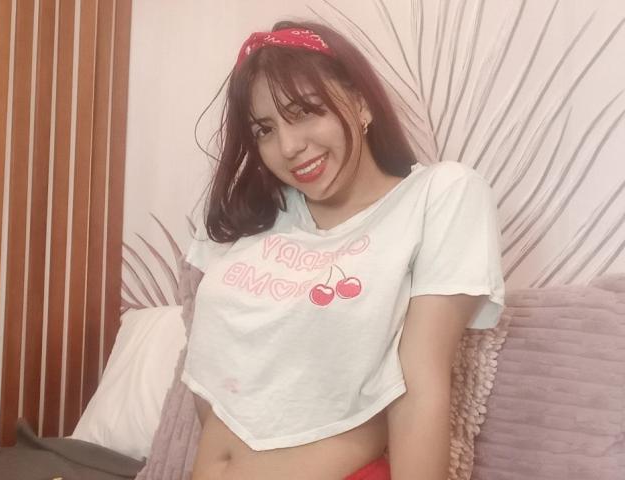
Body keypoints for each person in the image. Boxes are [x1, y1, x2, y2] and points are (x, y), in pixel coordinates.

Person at [181, 19, 505, 480]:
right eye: (264, 130)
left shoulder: (438, 195)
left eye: (304, 111)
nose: (288, 147)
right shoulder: (252, 215)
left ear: (359, 101)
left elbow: (421, 383)